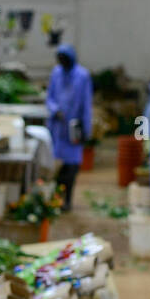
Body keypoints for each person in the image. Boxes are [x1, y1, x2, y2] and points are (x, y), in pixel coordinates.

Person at [45, 43, 92, 213]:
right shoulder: (56, 73)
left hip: (73, 127)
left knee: (71, 166)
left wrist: (87, 129)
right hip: (57, 127)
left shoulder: (82, 76)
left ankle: (68, 200)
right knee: (56, 166)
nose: (62, 63)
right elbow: (49, 96)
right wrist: (54, 110)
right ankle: (57, 198)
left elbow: (86, 104)